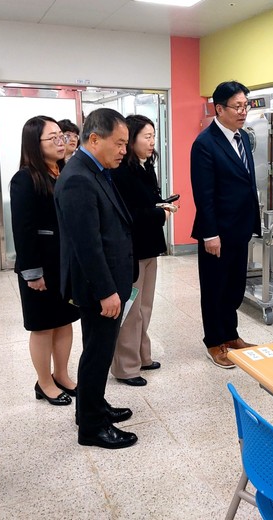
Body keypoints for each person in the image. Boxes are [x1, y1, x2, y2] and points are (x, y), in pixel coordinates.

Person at [54, 107, 138, 450]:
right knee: (97, 354)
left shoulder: (95, 170)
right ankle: (91, 427)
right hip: (97, 287)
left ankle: (94, 406)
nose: (123, 150)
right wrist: (106, 291)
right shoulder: (78, 178)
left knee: (98, 350)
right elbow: (86, 244)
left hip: (107, 281)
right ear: (94, 139)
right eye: (119, 143)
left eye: (126, 144)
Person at [190, 80, 261, 369]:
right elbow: (203, 194)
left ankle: (231, 336)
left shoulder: (242, 138)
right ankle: (214, 341)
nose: (243, 111)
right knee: (214, 289)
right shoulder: (205, 143)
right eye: (237, 106)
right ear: (219, 109)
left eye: (246, 106)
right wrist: (210, 234)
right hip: (217, 232)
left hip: (240, 228)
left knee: (234, 287)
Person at [10, 116, 79, 406]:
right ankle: (44, 382)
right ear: (34, 143)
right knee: (42, 326)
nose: (61, 142)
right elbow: (23, 230)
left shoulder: (64, 172)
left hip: (64, 265)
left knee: (64, 321)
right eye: (53, 138)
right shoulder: (25, 178)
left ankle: (61, 374)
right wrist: (32, 272)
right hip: (40, 267)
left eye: (62, 136)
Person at [110, 114, 176, 386]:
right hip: (132, 250)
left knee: (145, 306)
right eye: (146, 137)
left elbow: (149, 201)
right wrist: (160, 214)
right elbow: (129, 214)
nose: (152, 142)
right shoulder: (121, 172)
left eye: (153, 137)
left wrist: (162, 205)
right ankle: (126, 367)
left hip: (150, 247)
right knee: (131, 310)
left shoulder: (146, 166)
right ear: (131, 139)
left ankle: (142, 355)